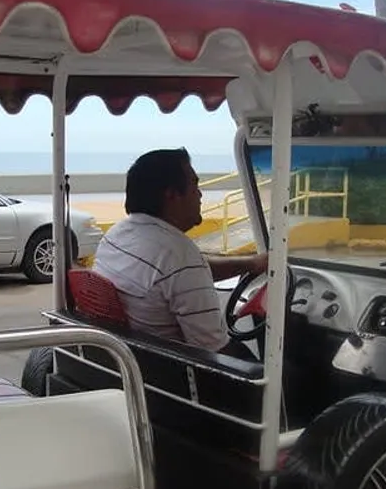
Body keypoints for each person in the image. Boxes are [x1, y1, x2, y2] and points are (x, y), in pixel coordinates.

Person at [93, 148, 268, 358]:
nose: (201, 194)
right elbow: (215, 351)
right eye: (195, 185)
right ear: (172, 195)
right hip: (173, 377)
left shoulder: (117, 235)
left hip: (127, 359)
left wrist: (251, 264)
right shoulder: (179, 256)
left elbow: (183, 273)